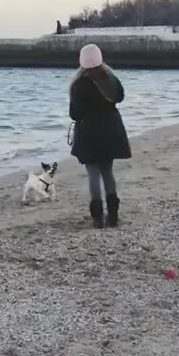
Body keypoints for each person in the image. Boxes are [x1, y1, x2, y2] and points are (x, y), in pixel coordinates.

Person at [68, 43, 131, 228]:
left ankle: (97, 218)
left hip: (89, 132)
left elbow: (74, 114)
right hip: (111, 130)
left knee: (93, 174)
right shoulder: (111, 79)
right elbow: (120, 97)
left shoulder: (79, 85)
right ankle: (113, 216)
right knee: (107, 171)